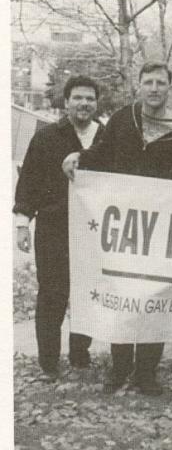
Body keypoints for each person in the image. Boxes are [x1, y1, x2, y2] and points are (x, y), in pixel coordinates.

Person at [62, 62, 172, 395]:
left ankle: (146, 373)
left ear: (170, 88)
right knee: (121, 297)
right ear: (139, 86)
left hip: (161, 231)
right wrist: (78, 156)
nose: (154, 88)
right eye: (148, 82)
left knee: (154, 298)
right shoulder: (124, 119)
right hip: (123, 228)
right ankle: (120, 368)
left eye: (161, 83)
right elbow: (101, 153)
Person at [14, 76, 105, 381]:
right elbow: (28, 182)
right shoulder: (47, 137)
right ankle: (49, 361)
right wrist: (22, 224)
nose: (84, 104)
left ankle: (80, 353)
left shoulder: (106, 138)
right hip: (54, 227)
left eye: (90, 99)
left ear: (97, 103)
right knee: (52, 293)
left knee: (86, 293)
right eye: (78, 98)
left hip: (94, 230)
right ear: (66, 102)